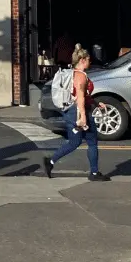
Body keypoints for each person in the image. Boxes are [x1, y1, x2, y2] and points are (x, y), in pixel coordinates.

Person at [43, 45, 111, 182]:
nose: (90, 62)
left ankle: (50, 162)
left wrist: (96, 103)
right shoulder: (81, 76)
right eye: (88, 60)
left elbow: (83, 95)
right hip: (78, 111)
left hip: (70, 111)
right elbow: (80, 96)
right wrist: (83, 117)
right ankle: (94, 172)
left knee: (74, 142)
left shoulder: (72, 73)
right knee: (92, 142)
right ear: (82, 60)